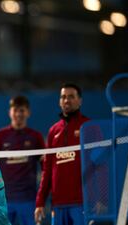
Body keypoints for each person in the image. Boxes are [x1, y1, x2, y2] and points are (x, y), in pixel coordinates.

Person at [34, 83, 89, 225]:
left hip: (82, 203)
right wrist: (40, 202)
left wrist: (101, 199)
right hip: (57, 204)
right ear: (59, 101)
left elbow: (99, 167)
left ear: (80, 101)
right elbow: (47, 171)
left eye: (71, 96)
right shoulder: (53, 131)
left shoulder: (89, 127)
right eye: (63, 97)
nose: (66, 100)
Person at [0, 95, 45, 225]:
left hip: (29, 199)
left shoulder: (36, 137)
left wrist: (41, 199)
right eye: (15, 110)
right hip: (4, 200)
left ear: (28, 112)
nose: (18, 114)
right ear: (10, 112)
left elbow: (45, 169)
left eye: (22, 110)